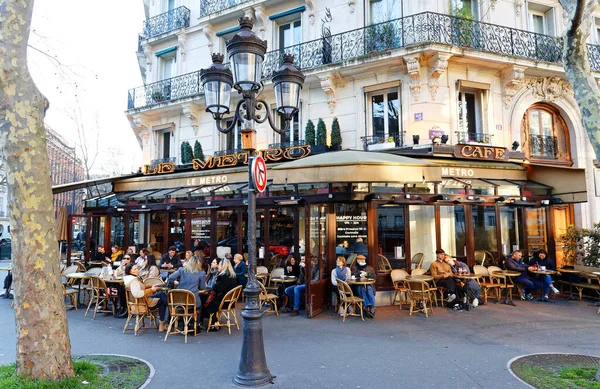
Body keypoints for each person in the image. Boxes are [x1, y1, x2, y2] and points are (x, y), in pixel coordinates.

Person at [152, 255, 207, 330]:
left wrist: (172, 284)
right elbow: (202, 288)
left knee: (173, 303)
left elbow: (171, 277)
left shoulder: (181, 270)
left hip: (178, 301)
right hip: (192, 302)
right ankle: (195, 324)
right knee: (199, 304)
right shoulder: (201, 273)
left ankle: (173, 322)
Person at [123, 263, 165, 331]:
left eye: (137, 268)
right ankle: (163, 323)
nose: (137, 270)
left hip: (137, 304)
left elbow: (140, 287)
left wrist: (151, 286)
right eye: (135, 269)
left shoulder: (129, 279)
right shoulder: (134, 281)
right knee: (163, 298)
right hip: (143, 305)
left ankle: (165, 321)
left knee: (161, 295)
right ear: (130, 271)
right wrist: (151, 289)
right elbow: (137, 294)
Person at [201, 258, 238, 330]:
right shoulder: (232, 275)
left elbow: (217, 289)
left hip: (223, 301)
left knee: (204, 302)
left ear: (223, 266)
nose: (218, 267)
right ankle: (214, 322)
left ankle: (212, 323)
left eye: (220, 265)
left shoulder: (223, 276)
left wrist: (213, 285)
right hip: (230, 301)